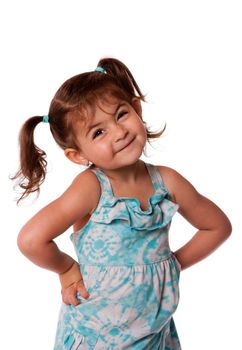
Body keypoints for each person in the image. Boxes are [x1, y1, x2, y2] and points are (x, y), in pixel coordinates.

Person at [13, 57, 232, 349]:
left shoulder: (167, 182)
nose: (119, 132)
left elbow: (217, 226)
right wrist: (66, 269)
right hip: (97, 336)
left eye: (121, 114)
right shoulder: (91, 188)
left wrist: (173, 264)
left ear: (136, 109)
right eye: (98, 132)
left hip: (154, 333)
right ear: (78, 155)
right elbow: (31, 239)